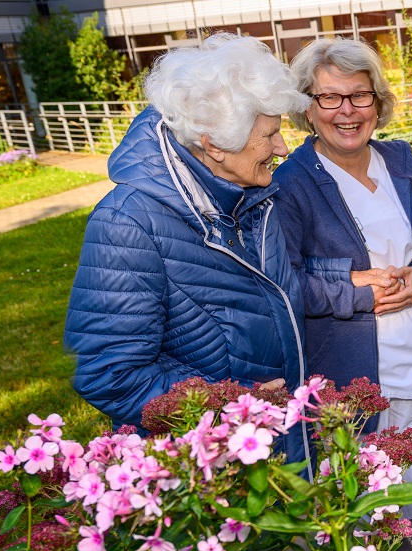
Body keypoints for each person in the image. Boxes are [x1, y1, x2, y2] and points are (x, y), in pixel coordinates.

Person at [63, 34, 313, 465]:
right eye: (269, 135)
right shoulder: (127, 224)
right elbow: (110, 374)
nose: (282, 149)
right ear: (214, 143)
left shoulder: (250, 196)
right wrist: (232, 408)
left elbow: (271, 297)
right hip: (206, 471)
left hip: (277, 446)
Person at [273, 38, 412, 518]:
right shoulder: (289, 184)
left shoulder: (403, 163)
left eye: (359, 95)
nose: (346, 111)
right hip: (348, 368)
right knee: (364, 498)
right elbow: (283, 281)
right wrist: (354, 291)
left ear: (378, 102)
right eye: (329, 97)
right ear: (308, 108)